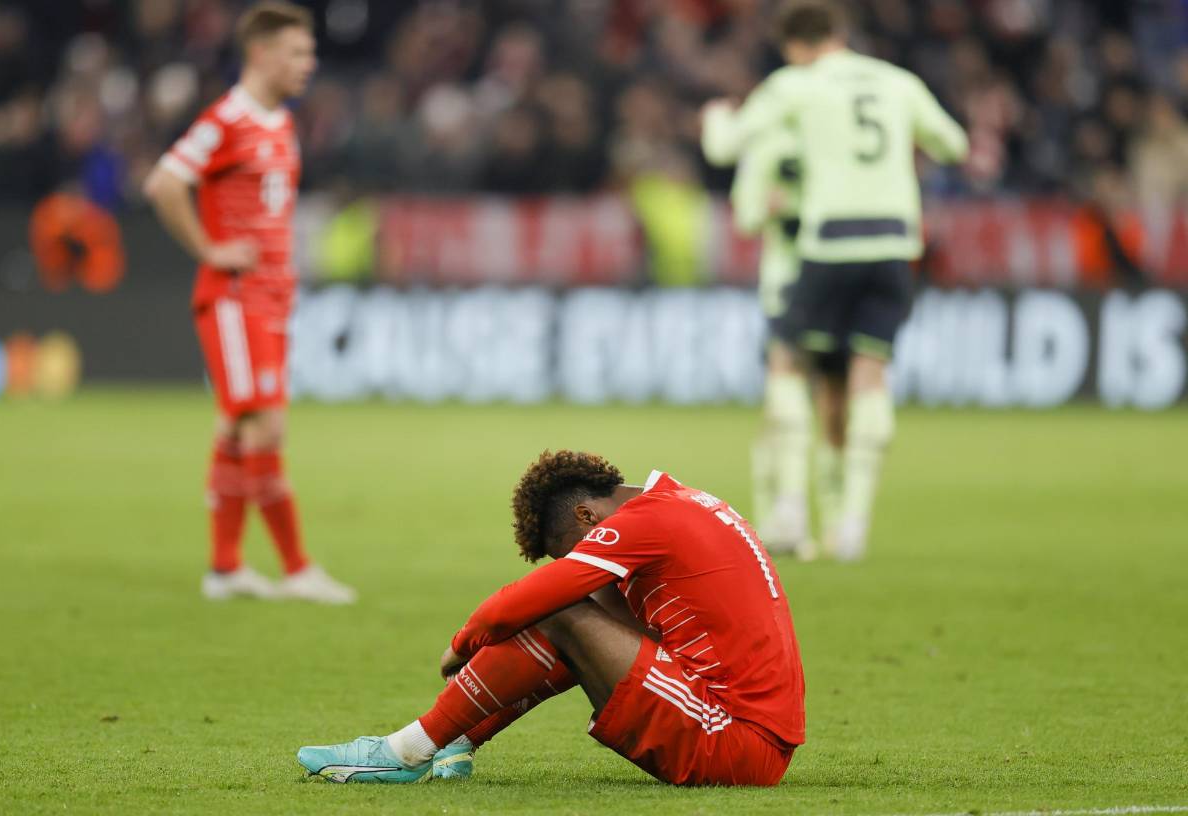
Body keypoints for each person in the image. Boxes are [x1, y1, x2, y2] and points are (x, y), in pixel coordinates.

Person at [297, 450, 805, 786]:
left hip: (733, 738)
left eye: (570, 552)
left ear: (587, 516)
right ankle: (451, 738)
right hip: (751, 737)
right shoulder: (683, 505)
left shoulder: (647, 520)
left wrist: (465, 639)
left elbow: (535, 599)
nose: (577, 564)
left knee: (560, 610)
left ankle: (405, 751)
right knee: (581, 619)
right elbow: (591, 644)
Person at [702, 0, 968, 560]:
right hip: (896, 243)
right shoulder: (899, 82)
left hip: (830, 243)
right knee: (869, 375)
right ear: (840, 34)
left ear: (793, 47)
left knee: (788, 364)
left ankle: (792, 510)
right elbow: (956, 145)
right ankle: (852, 528)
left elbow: (727, 147)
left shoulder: (795, 85)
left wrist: (713, 117)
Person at [142, 2, 355, 604]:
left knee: (237, 425)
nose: (307, 64)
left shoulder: (280, 122)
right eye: (295, 53)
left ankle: (226, 567)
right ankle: (296, 568)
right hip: (235, 299)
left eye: (309, 53)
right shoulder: (226, 118)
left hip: (270, 297)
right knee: (266, 424)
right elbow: (163, 183)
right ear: (260, 54)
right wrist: (210, 247)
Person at [712, 124, 818, 559]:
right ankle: (786, 515)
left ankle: (796, 517)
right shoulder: (773, 142)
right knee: (790, 398)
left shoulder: (775, 140)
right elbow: (749, 216)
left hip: (820, 286)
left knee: (808, 403)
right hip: (793, 288)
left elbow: (747, 214)